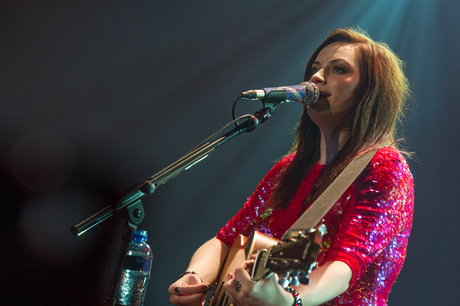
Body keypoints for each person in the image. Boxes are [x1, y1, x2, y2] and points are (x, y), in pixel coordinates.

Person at [168, 27, 414, 306]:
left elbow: (345, 266)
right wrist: (195, 275)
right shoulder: (290, 168)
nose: (317, 77)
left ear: (369, 93)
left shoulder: (384, 167)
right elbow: (227, 238)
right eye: (316, 68)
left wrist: (288, 300)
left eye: (338, 69)